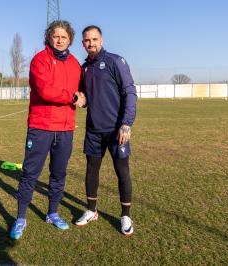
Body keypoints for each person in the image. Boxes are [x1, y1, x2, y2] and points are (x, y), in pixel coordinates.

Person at [10, 20, 83, 240]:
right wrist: (72, 97)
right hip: (40, 127)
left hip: (65, 128)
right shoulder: (39, 60)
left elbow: (82, 91)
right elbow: (45, 90)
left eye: (64, 37)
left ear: (70, 39)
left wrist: (83, 98)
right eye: (56, 36)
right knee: (30, 174)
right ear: (49, 37)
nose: (60, 40)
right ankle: (21, 217)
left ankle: (52, 213)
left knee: (59, 174)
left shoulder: (75, 64)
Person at [75, 25, 137, 236]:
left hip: (116, 130)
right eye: (86, 40)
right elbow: (84, 98)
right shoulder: (84, 68)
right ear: (83, 43)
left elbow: (129, 92)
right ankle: (91, 211)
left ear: (101, 40)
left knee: (122, 171)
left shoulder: (114, 61)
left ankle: (125, 215)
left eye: (94, 39)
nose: (90, 43)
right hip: (93, 130)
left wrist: (126, 124)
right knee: (91, 170)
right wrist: (80, 100)